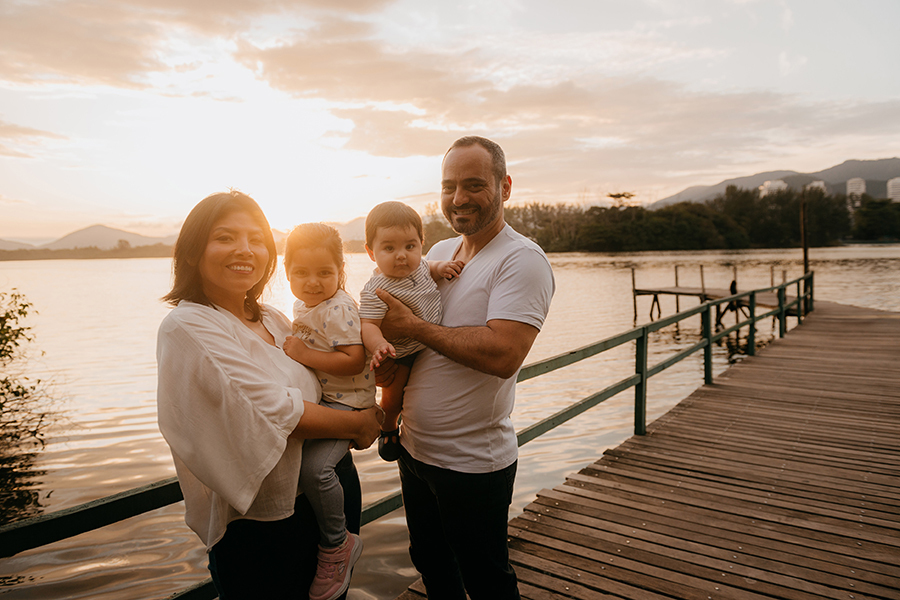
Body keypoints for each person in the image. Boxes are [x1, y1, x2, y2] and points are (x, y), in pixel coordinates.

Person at [156, 191, 381, 599]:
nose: (245, 249)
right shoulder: (189, 325)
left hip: (329, 488)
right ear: (192, 251)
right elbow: (274, 411)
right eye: (225, 237)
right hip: (261, 523)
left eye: (256, 238)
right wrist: (361, 422)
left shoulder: (276, 320)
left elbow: (334, 375)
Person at [375, 137, 555, 599]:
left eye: (474, 185)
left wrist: (412, 325)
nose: (458, 198)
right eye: (449, 185)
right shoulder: (437, 251)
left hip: (472, 465)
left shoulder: (522, 259)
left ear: (505, 186)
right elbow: (399, 332)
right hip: (415, 452)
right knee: (433, 566)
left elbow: (502, 353)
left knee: (487, 579)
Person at [281, 222, 373, 600]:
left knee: (316, 471)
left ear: (340, 271)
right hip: (326, 401)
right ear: (286, 272)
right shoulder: (304, 305)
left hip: (347, 404)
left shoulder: (339, 309)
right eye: (300, 272)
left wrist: (304, 355)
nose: (312, 281)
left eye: (324, 272)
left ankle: (338, 543)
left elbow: (354, 360)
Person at [358, 201, 464, 461]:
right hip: (400, 353)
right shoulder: (375, 289)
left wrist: (442, 268)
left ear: (421, 244)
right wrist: (379, 345)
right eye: (389, 248)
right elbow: (368, 325)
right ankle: (388, 426)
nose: (401, 255)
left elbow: (431, 267)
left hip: (428, 347)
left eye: (409, 246)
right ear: (371, 252)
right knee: (393, 400)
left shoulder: (420, 267)